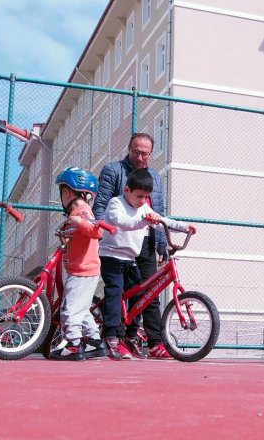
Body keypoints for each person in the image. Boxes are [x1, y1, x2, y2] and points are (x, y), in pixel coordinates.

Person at [98, 169, 195, 360]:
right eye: (139, 196)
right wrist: (143, 221)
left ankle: (131, 334)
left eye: (146, 197)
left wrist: (184, 227)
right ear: (127, 190)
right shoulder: (116, 203)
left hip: (129, 259)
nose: (143, 200)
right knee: (115, 291)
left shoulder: (143, 208)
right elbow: (122, 222)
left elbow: (161, 221)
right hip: (111, 256)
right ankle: (111, 335)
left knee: (140, 294)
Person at [93, 133, 171, 359]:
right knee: (119, 291)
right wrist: (100, 230)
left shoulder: (154, 177)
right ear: (129, 148)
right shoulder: (113, 170)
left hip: (144, 242)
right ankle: (115, 337)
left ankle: (154, 342)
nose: (139, 157)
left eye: (145, 153)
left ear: (151, 153)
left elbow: (158, 211)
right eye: (136, 151)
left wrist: (162, 242)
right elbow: (101, 203)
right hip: (119, 241)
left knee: (149, 292)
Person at [48, 167, 110, 361]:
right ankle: (96, 342)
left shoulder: (82, 211)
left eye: (62, 194)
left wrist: (77, 222)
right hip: (83, 269)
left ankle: (74, 345)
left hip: (82, 270)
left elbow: (96, 232)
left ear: (66, 193)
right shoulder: (79, 211)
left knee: (70, 309)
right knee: (81, 309)